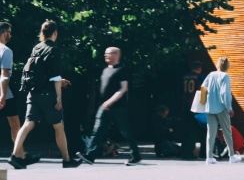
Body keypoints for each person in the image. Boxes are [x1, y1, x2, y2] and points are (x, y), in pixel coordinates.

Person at [7, 20, 82, 169]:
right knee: (59, 126)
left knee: (28, 123)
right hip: (48, 94)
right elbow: (53, 76)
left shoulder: (36, 48)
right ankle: (67, 160)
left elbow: (40, 72)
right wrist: (59, 97)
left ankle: (15, 155)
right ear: (55, 33)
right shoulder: (54, 49)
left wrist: (59, 81)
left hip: (32, 92)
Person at [76, 47, 142, 165]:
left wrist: (110, 101)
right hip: (104, 106)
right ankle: (90, 156)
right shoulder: (105, 70)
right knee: (97, 131)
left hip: (118, 107)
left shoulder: (122, 70)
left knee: (125, 131)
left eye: (109, 53)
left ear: (117, 55)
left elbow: (123, 89)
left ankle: (136, 156)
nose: (106, 55)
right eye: (105, 53)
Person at [202, 56, 241, 164]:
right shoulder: (225, 76)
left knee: (211, 132)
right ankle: (231, 155)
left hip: (209, 107)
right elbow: (225, 93)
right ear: (227, 65)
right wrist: (229, 108)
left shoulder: (211, 74)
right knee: (227, 131)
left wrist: (203, 104)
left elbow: (203, 88)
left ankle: (209, 157)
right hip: (221, 107)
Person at [0, 22, 22, 152]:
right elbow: (5, 74)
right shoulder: (6, 51)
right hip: (5, 93)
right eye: (9, 32)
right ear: (4, 33)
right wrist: (3, 94)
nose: (11, 35)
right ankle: (19, 154)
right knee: (15, 123)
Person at [180, 61, 206, 160]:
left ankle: (184, 151)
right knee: (193, 132)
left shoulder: (184, 77)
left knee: (185, 130)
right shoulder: (200, 78)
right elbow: (203, 94)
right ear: (200, 68)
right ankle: (190, 153)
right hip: (195, 107)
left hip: (184, 107)